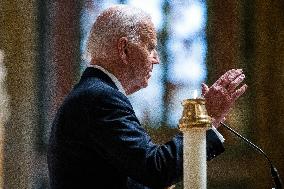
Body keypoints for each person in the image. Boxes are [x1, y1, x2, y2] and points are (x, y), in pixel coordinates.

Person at [47, 5, 247, 189]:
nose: (157, 59)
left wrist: (208, 122)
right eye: (150, 47)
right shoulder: (101, 99)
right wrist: (205, 118)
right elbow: (156, 170)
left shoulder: (92, 94)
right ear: (124, 49)